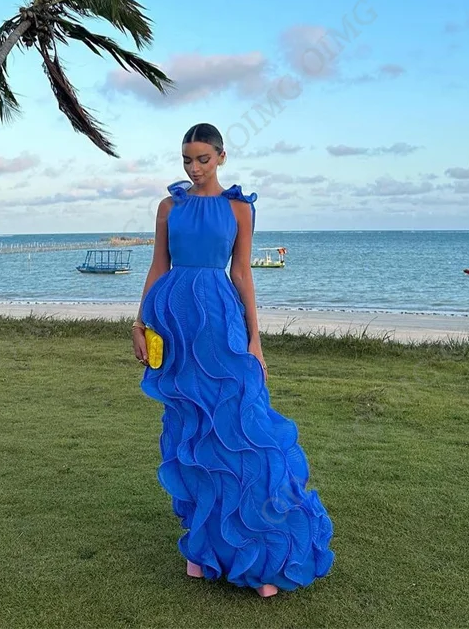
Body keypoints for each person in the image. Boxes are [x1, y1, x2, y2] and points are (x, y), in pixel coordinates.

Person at [131, 122, 335, 598]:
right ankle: (202, 550)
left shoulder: (239, 208)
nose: (194, 168)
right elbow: (158, 267)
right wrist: (140, 323)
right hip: (175, 324)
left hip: (222, 321)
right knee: (192, 429)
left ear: (221, 157)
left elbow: (242, 272)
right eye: (187, 159)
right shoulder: (169, 206)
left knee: (242, 428)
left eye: (202, 159)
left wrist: (256, 343)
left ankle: (262, 549)